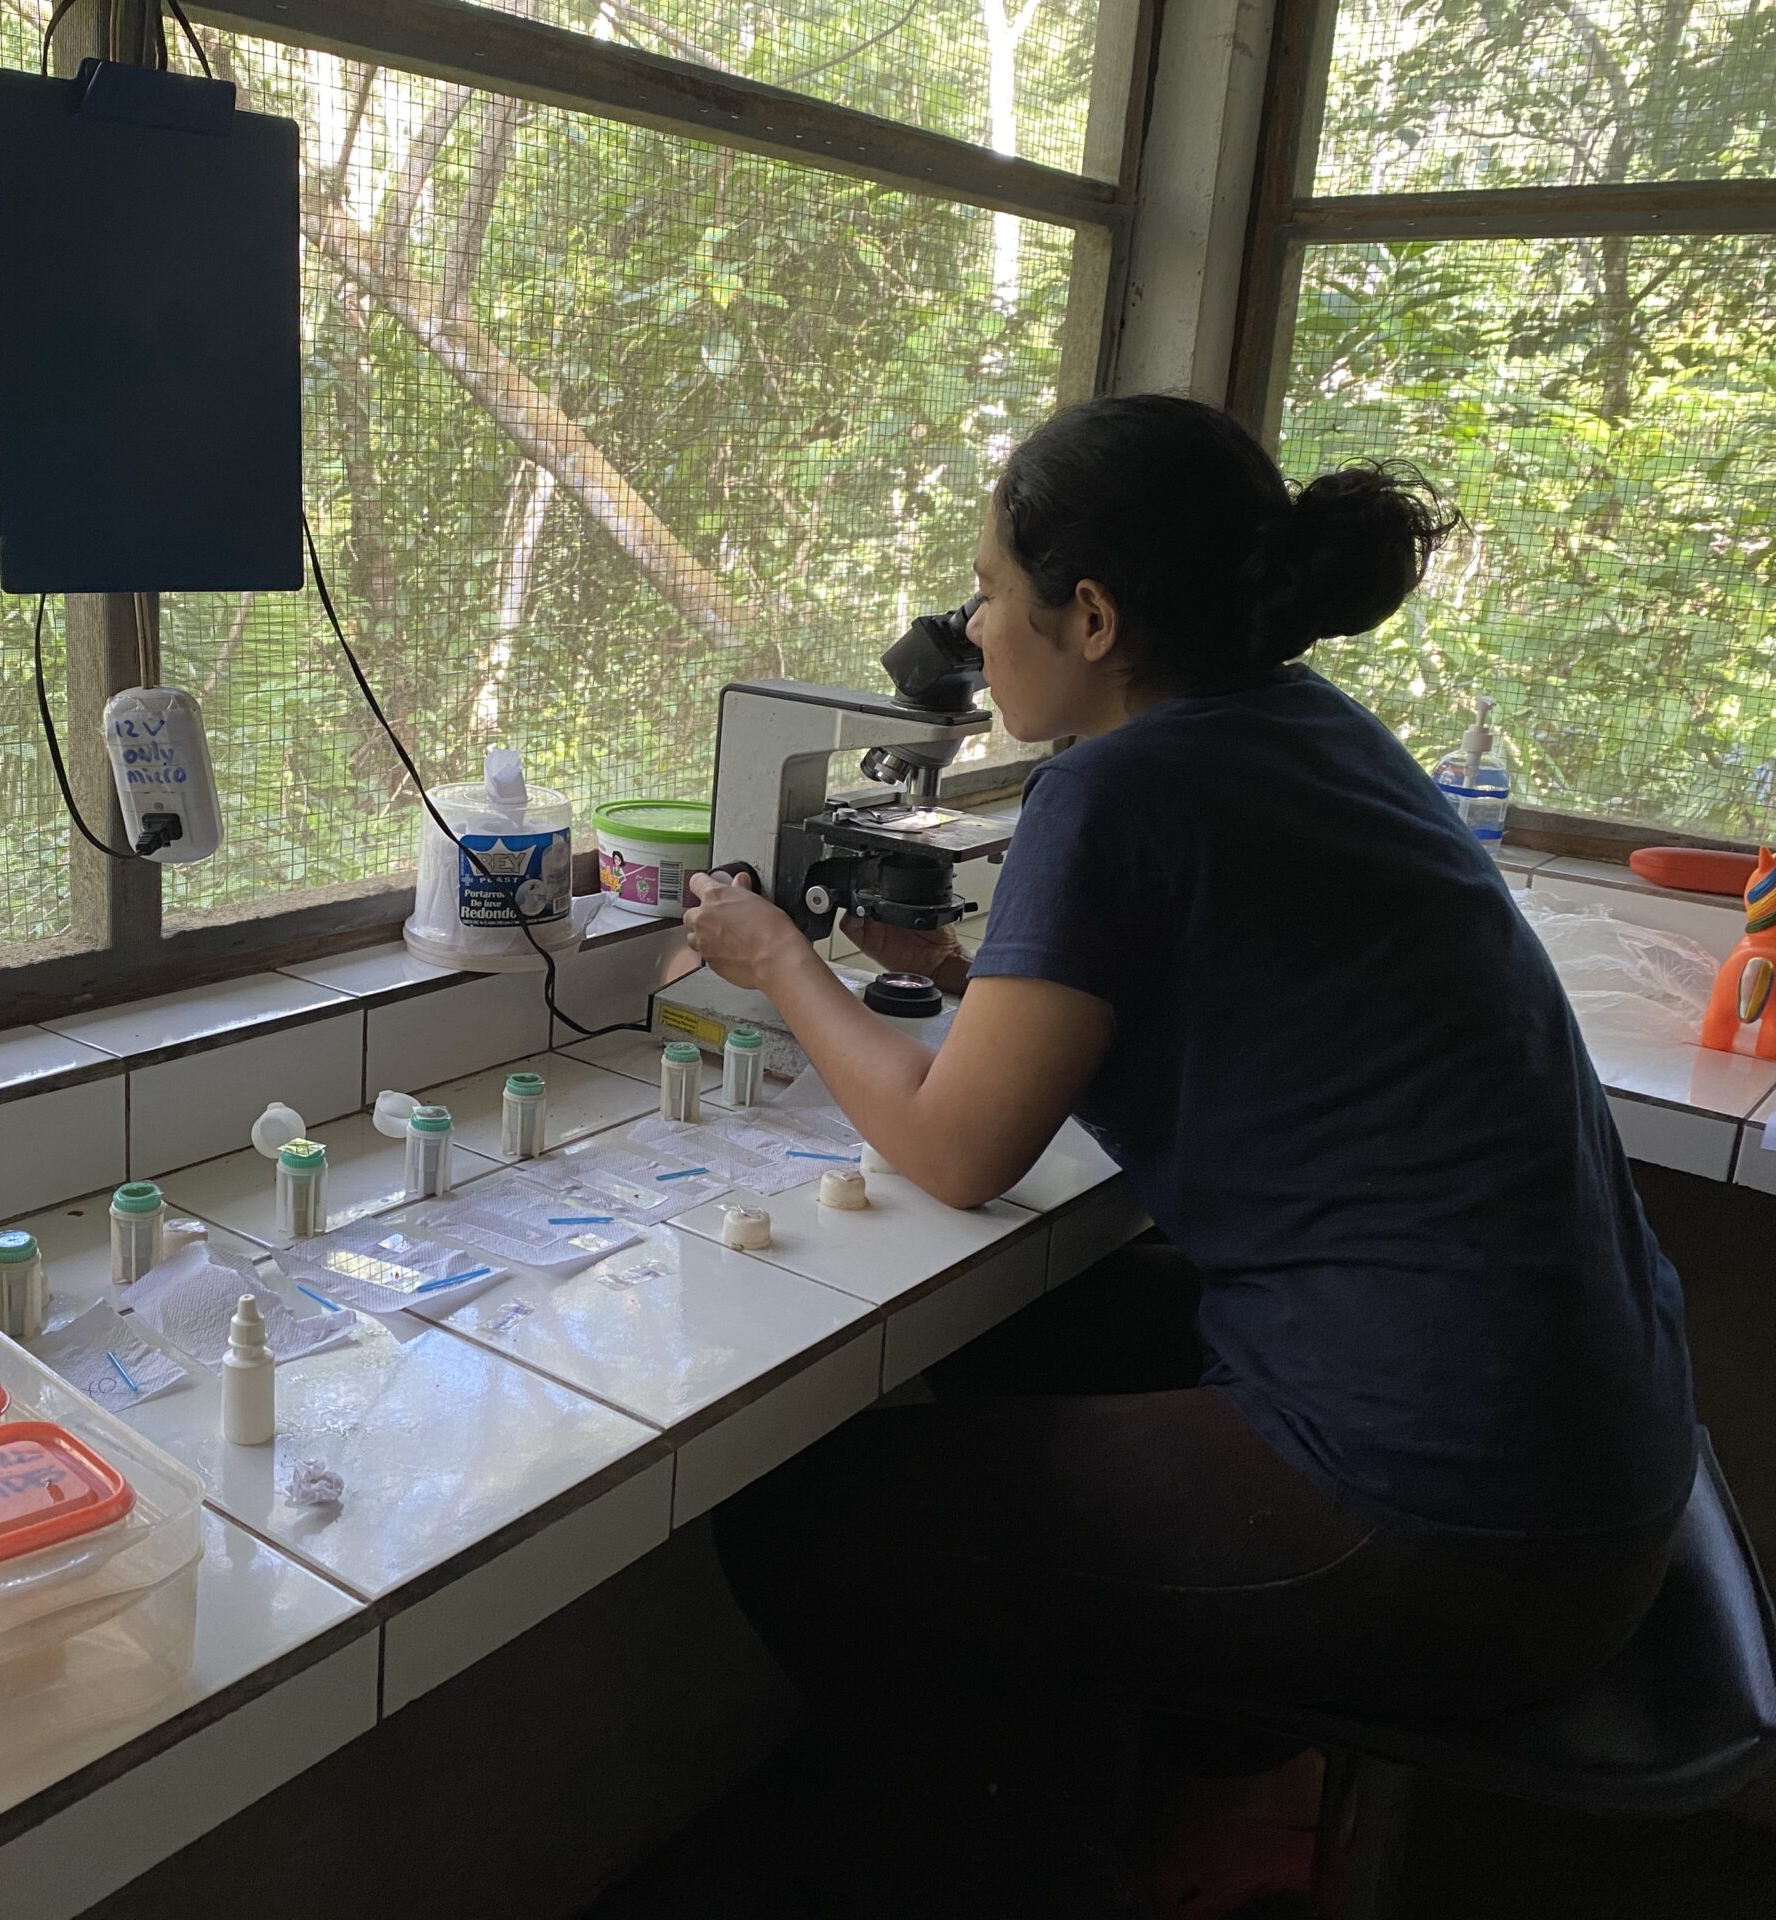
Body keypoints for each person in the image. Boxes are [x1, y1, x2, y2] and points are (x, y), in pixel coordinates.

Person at [681, 395, 1695, 1915]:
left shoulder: (1117, 786)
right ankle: (1212, 1813)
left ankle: (1034, 1873)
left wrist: (776, 959)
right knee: (1025, 1340)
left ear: (1091, 618)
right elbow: (1219, 1009)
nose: (974, 625)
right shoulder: (1310, 727)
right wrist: (966, 978)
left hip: (1450, 1524)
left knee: (803, 1518)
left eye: (991, 590)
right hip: (1597, 1458)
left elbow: (957, 1149)